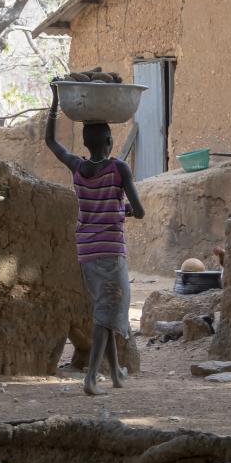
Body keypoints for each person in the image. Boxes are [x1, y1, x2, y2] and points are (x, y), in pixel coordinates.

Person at [45, 79, 145, 395]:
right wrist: (123, 210)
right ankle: (91, 377)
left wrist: (54, 102)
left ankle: (115, 372)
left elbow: (51, 142)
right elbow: (140, 211)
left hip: (86, 251)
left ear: (87, 143)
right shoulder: (119, 169)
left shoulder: (77, 167)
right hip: (111, 251)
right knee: (109, 311)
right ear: (110, 139)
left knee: (105, 308)